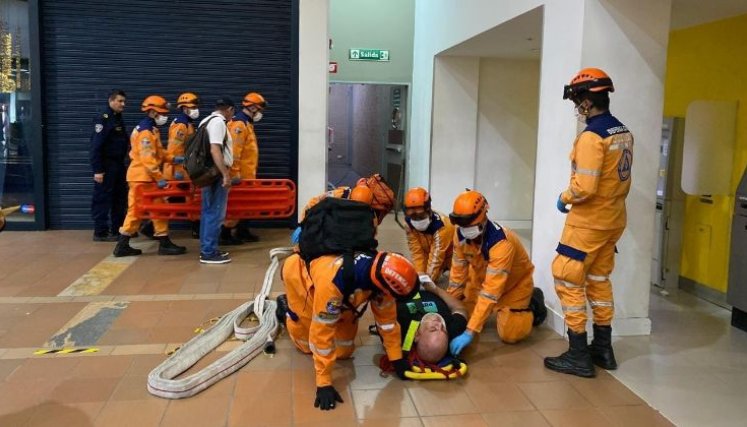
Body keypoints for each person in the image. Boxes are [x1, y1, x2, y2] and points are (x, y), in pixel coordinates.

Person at [544, 68, 633, 378]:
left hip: (588, 222)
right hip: (613, 221)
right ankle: (603, 349)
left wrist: (564, 196)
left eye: (578, 102)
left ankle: (578, 353)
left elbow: (585, 187)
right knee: (598, 280)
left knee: (566, 277)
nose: (577, 108)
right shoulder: (622, 131)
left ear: (586, 102)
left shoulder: (592, 137)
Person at [279, 251, 418, 411]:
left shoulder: (381, 277)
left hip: (343, 298)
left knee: (343, 351)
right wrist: (323, 382)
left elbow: (387, 322)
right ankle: (285, 311)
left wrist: (396, 358)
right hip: (302, 279)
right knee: (306, 345)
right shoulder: (334, 282)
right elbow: (321, 332)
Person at [446, 190, 546, 356]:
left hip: (513, 287)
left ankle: (534, 302)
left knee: (510, 334)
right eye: (461, 224)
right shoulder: (460, 236)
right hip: (479, 283)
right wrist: (448, 307)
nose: (464, 229)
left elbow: (491, 292)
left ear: (483, 217)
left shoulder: (501, 244)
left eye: (468, 224)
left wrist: (470, 332)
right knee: (461, 316)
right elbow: (457, 278)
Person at [113, 95, 187, 257]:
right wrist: (160, 177)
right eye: (162, 113)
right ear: (153, 112)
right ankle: (124, 244)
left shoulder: (151, 129)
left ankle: (161, 240)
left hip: (144, 177)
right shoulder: (146, 132)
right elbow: (148, 159)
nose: (165, 117)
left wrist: (173, 158)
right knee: (138, 210)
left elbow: (158, 152)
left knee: (155, 209)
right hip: (143, 177)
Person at [221, 92, 267, 245]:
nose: (260, 113)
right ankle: (225, 234)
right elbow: (234, 152)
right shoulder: (239, 125)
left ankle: (242, 230)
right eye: (259, 109)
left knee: (247, 204)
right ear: (252, 107)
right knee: (236, 205)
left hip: (248, 175)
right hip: (240, 176)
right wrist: (234, 174)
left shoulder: (246, 123)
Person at [395, 277, 468, 364]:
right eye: (444, 330)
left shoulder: (399, 327)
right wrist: (435, 289)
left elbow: (382, 307)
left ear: (417, 335)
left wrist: (403, 284)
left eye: (433, 329)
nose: (439, 324)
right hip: (429, 287)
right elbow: (459, 308)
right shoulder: (454, 330)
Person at [198, 97, 235, 264]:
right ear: (229, 110)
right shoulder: (219, 122)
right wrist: (225, 174)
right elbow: (215, 149)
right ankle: (209, 252)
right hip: (215, 173)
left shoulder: (205, 121)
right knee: (216, 212)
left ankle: (208, 248)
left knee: (208, 211)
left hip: (206, 172)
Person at [90, 89, 129, 242]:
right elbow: (96, 146)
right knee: (102, 198)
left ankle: (117, 229)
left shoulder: (118, 118)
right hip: (106, 165)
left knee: (119, 198)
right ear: (111, 101)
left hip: (118, 165)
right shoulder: (103, 119)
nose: (123, 104)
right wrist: (98, 170)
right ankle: (100, 231)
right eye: (120, 101)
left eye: (124, 101)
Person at [402, 187, 455, 284]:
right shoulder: (409, 225)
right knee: (418, 275)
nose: (417, 220)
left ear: (428, 210)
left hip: (451, 256)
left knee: (459, 282)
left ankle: (446, 269)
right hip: (429, 251)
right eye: (413, 216)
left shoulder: (443, 226)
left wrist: (427, 281)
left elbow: (436, 257)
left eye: (421, 216)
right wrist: (420, 274)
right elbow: (416, 251)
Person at [164, 92, 199, 181]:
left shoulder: (187, 123)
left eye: (196, 107)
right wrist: (178, 171)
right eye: (193, 107)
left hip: (184, 169)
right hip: (177, 173)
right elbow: (175, 149)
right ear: (184, 108)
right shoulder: (181, 125)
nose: (196, 110)